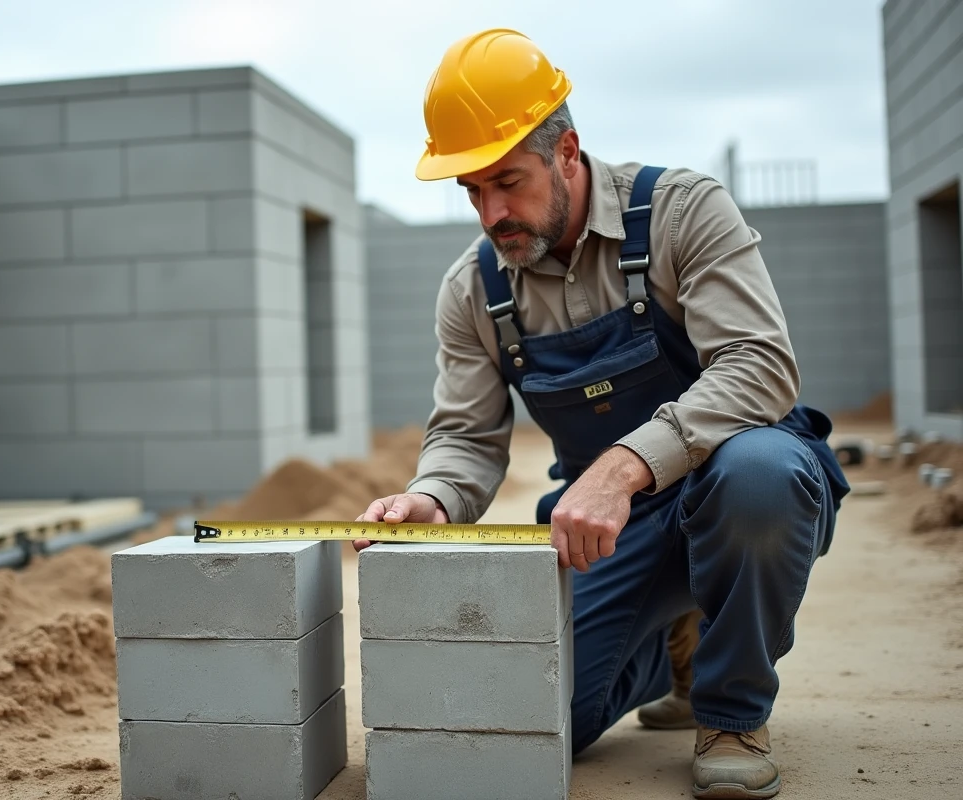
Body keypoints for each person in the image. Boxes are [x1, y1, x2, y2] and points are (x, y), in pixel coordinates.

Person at [353, 28, 850, 800]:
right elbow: (464, 437)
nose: (492, 212)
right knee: (546, 719)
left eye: (507, 182)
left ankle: (729, 712)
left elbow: (761, 365)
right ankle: (669, 642)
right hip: (611, 527)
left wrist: (623, 466)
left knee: (759, 476)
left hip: (737, 486)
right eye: (472, 192)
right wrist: (434, 498)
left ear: (568, 151)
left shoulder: (683, 213)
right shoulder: (473, 289)